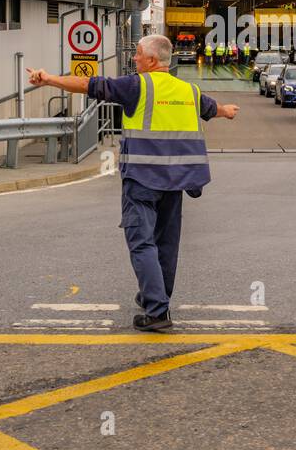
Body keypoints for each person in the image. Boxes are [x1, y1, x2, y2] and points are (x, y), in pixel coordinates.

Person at [28, 35, 239, 332]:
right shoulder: (189, 90)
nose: (135, 59)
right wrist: (226, 110)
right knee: (166, 244)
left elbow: (91, 86)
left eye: (139, 54)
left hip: (142, 179)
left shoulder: (137, 85)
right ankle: (155, 296)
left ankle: (156, 311)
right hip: (175, 182)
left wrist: (49, 79)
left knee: (141, 242)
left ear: (152, 61)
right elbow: (210, 108)